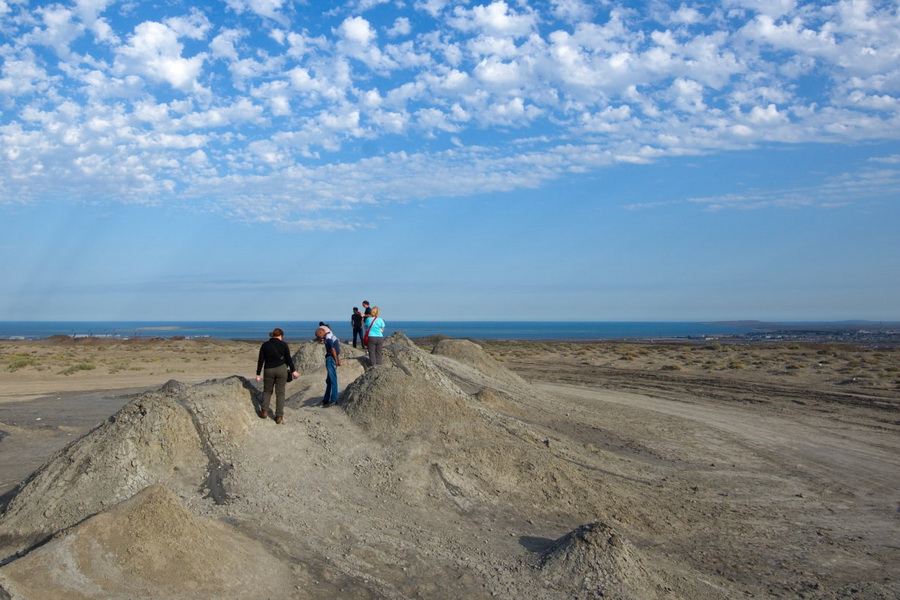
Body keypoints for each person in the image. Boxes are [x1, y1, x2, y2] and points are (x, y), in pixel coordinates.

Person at [255, 328, 298, 424]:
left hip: (268, 370)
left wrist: (258, 374)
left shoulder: (265, 345)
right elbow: (288, 359)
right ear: (281, 335)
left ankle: (264, 411)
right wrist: (293, 371)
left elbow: (261, 360)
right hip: (281, 370)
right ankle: (279, 416)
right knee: (280, 393)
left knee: (267, 391)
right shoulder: (284, 344)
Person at [315, 326, 341, 406]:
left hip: (330, 358)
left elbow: (333, 349)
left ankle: (333, 400)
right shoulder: (331, 335)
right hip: (333, 358)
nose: (317, 337)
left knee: (332, 379)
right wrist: (337, 358)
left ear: (321, 332)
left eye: (317, 335)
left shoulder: (327, 337)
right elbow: (337, 348)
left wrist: (336, 360)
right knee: (329, 380)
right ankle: (326, 399)